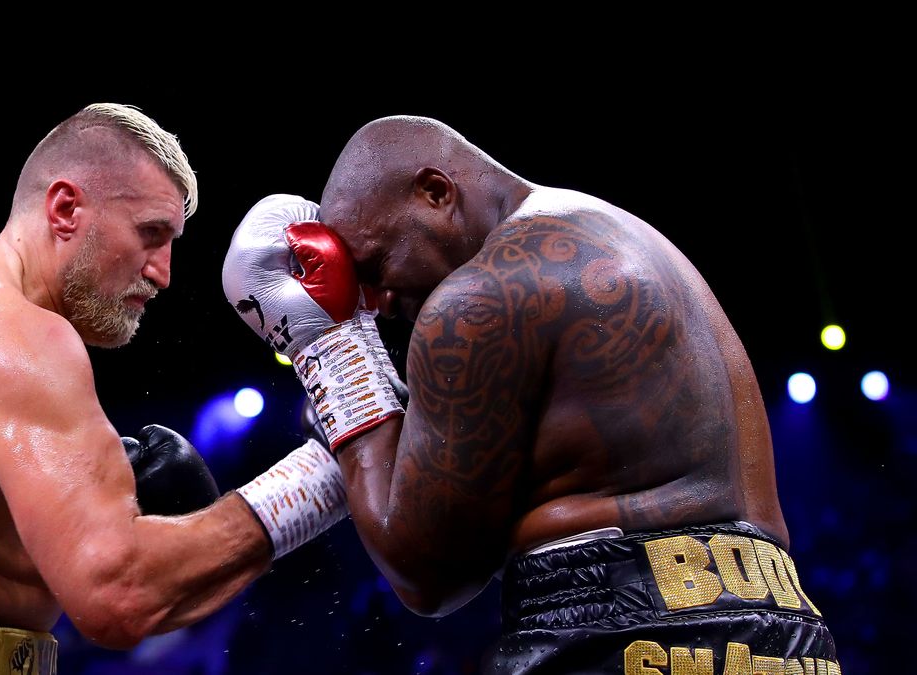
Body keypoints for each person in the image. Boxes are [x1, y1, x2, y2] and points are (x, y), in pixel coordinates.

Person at [223, 116, 840, 673]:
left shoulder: (482, 298)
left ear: (436, 193)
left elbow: (424, 573)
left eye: (377, 266)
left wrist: (332, 347)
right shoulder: (627, 236)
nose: (376, 304)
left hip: (625, 634)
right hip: (790, 636)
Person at [0, 103, 349, 674]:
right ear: (64, 209)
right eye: (150, 233)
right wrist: (321, 478)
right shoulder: (19, 336)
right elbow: (117, 596)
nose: (163, 272)